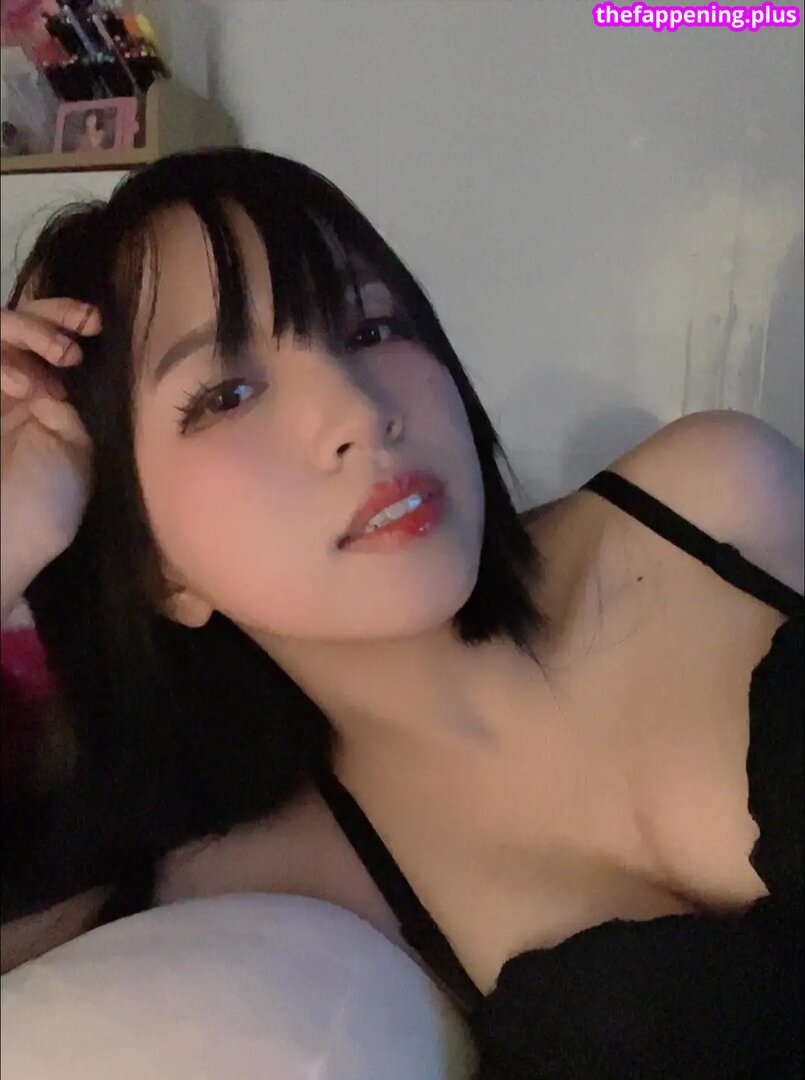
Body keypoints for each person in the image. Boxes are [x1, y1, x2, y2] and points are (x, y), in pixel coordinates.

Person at [1, 148, 802, 1077]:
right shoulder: (271, 879)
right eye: (226, 394)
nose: (357, 410)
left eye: (372, 327)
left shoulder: (710, 502)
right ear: (156, 571)